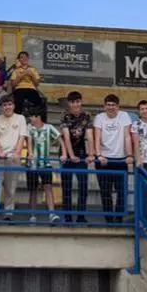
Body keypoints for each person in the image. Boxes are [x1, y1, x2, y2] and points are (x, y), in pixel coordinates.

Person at [92, 95, 133, 223]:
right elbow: (97, 138)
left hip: (120, 160)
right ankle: (109, 218)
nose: (111, 107)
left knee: (121, 191)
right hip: (104, 160)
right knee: (105, 192)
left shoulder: (124, 116)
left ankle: (119, 217)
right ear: (104, 106)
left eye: (113, 105)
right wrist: (99, 155)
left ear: (118, 106)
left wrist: (129, 155)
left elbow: (127, 137)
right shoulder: (99, 118)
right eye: (108, 105)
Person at [0, 95, 29, 220]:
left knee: (11, 187)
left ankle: (8, 212)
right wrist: (0, 153)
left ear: (14, 105)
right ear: (1, 107)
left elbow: (22, 137)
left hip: (13, 158)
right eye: (5, 105)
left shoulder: (20, 118)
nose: (7, 107)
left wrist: (17, 153)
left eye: (10, 104)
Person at [57, 92, 93, 224]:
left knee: (83, 186)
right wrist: (71, 155)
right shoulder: (64, 115)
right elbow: (66, 137)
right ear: (69, 103)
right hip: (66, 154)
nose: (75, 104)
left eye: (78, 101)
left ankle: (81, 216)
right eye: (72, 102)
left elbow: (90, 135)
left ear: (81, 102)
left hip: (81, 153)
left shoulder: (87, 115)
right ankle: (67, 216)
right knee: (66, 187)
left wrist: (91, 154)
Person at [26, 109, 61, 223]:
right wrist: (30, 153)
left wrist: (54, 145)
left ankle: (52, 213)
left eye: (32, 116)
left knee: (48, 187)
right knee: (33, 190)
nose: (30, 119)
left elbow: (59, 138)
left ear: (38, 117)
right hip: (32, 164)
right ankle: (32, 214)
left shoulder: (49, 127)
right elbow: (28, 141)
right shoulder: (29, 128)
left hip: (46, 164)